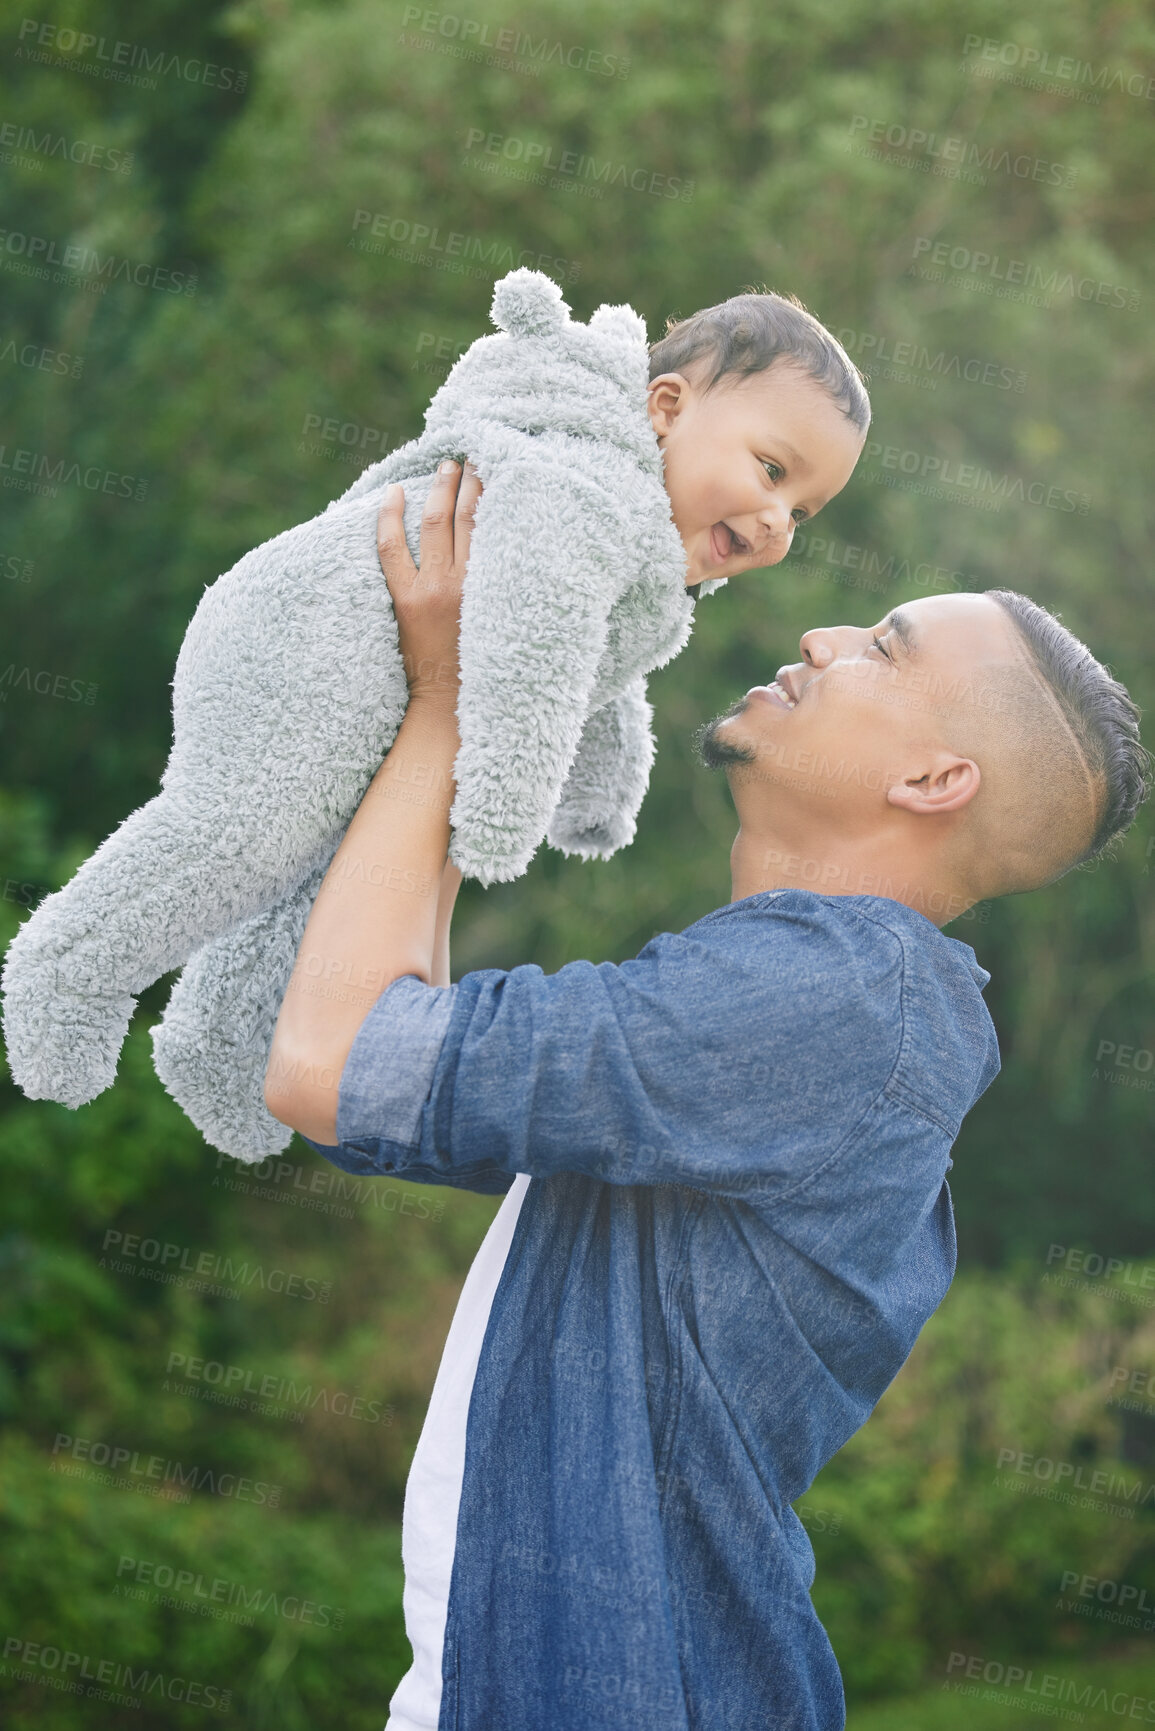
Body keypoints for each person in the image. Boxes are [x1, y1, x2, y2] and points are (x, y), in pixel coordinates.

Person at [265, 463, 1146, 1731]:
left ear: (935, 783)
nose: (821, 635)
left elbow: (331, 1059)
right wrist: (474, 698)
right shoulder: (795, 1012)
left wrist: (452, 697)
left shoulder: (836, 997)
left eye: (884, 651)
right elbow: (385, 1061)